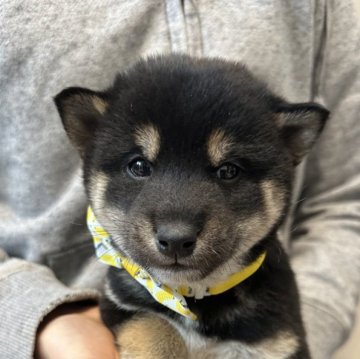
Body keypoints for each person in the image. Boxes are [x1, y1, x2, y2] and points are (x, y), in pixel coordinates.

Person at [1, 1, 359, 358]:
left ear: (291, 141)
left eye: (228, 171)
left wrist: (312, 317)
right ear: (88, 131)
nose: (175, 231)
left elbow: (344, 203)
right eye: (139, 166)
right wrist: (45, 318)